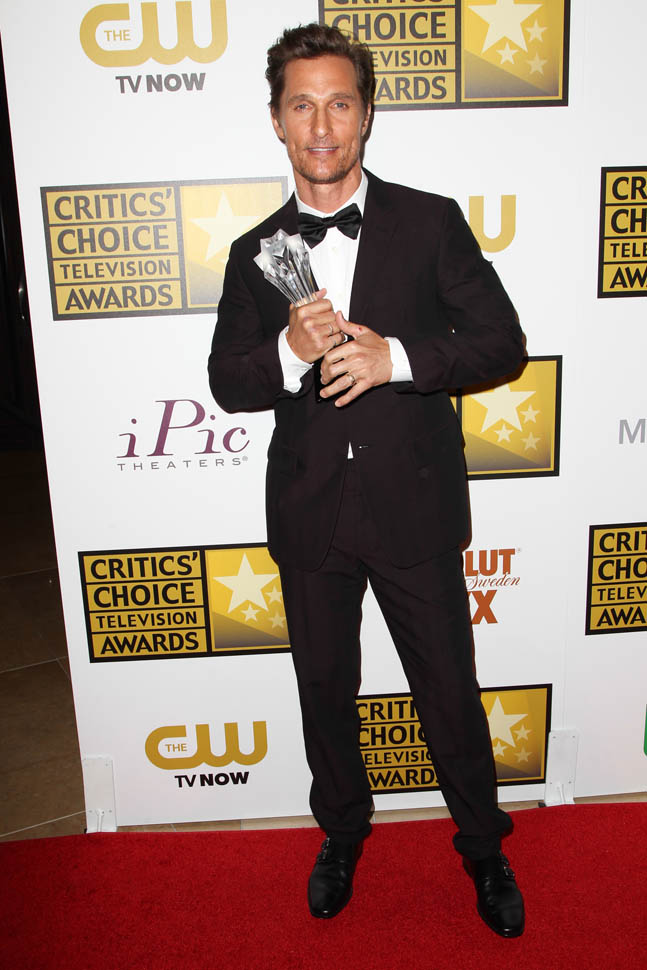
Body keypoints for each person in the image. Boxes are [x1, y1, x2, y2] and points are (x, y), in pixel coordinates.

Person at [209, 23, 526, 937]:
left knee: (449, 692)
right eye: (302, 105)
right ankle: (341, 835)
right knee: (324, 693)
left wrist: (400, 360)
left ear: (366, 114)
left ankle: (482, 846)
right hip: (310, 513)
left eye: (339, 103)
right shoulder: (255, 249)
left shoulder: (428, 221)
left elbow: (500, 343)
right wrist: (285, 350)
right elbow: (228, 381)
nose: (321, 126)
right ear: (277, 120)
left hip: (413, 507)